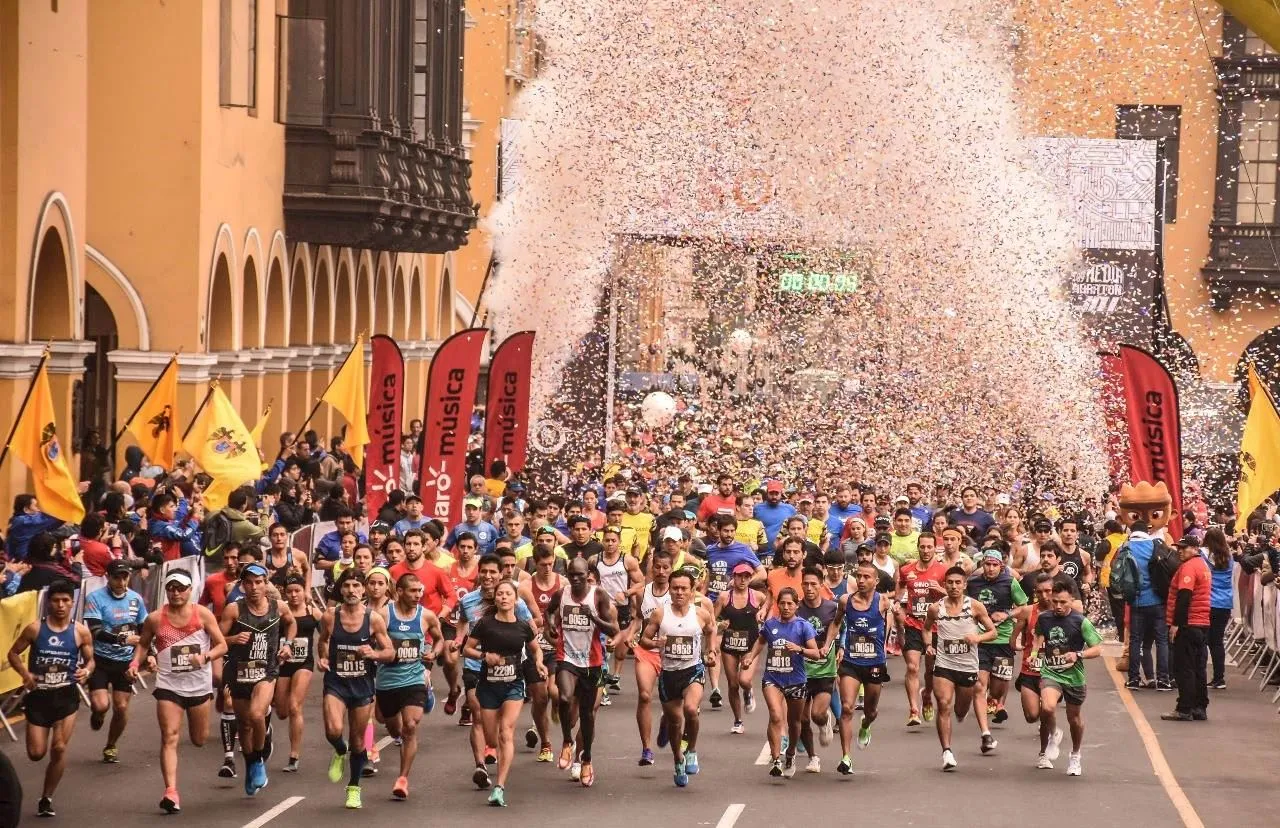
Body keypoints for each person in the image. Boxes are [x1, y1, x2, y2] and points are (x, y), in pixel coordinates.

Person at [129, 569, 227, 813]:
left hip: (198, 686)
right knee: (170, 736)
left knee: (199, 739)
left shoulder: (202, 615)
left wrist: (205, 657)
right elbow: (142, 644)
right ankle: (171, 792)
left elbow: (222, 645)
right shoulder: (155, 618)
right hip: (169, 685)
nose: (175, 592)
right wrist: (134, 663)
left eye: (180, 588)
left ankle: (173, 789)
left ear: (189, 590)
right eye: (171, 588)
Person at [6, 579, 93, 818]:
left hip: (66, 696)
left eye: (66, 600)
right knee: (36, 753)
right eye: (56, 600)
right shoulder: (35, 629)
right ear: (48, 603)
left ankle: (46, 797)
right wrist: (25, 674)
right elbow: (13, 653)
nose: (61, 605)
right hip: (39, 697)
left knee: (60, 747)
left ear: (72, 603)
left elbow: (90, 660)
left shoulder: (80, 631)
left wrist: (87, 670)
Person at [318, 568, 395, 809]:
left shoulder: (373, 619)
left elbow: (390, 652)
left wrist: (374, 653)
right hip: (336, 683)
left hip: (362, 685)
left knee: (359, 742)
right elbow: (323, 642)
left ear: (363, 590)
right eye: (347, 586)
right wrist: (322, 658)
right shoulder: (330, 616)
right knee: (333, 730)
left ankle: (353, 787)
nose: (351, 590)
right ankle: (339, 750)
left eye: (356, 586)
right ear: (341, 589)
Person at [464, 579, 545, 807]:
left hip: (513, 685)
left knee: (506, 732)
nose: (503, 597)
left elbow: (536, 648)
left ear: (515, 598)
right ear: (496, 598)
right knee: (492, 737)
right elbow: (466, 649)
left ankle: (499, 786)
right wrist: (483, 656)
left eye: (508, 594)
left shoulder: (523, 626)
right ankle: (493, 758)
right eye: (500, 594)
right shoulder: (485, 624)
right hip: (489, 686)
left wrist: (539, 664)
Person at [221, 562, 296, 795]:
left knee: (256, 714)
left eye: (259, 582)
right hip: (239, 672)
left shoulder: (279, 606)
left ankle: (259, 760)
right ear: (243, 585)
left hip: (267, 671)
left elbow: (291, 623)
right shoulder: (234, 610)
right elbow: (216, 638)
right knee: (243, 724)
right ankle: (250, 763)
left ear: (266, 584)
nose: (254, 587)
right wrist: (233, 640)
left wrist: (287, 644)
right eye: (249, 583)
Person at [639, 569, 717, 787]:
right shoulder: (660, 614)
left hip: (692, 670)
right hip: (669, 674)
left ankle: (691, 750)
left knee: (691, 709)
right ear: (670, 590)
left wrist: (711, 652)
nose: (679, 592)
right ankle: (678, 759)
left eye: (684, 588)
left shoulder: (700, 614)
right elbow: (644, 640)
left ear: (692, 591)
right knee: (675, 722)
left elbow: (711, 630)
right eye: (675, 588)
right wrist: (656, 644)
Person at [546, 558, 619, 786]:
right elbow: (547, 613)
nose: (575, 579)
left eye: (579, 575)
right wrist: (549, 625)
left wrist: (593, 618)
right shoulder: (561, 595)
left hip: (592, 662)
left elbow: (614, 629)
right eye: (571, 575)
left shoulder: (598, 596)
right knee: (565, 698)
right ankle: (567, 741)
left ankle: (586, 757)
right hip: (566, 657)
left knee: (587, 716)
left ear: (588, 574)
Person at [376, 572, 445, 799]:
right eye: (413, 591)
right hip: (387, 680)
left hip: (414, 678)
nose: (418, 595)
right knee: (394, 729)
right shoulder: (384, 615)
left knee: (411, 727)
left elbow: (439, 639)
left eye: (420, 591)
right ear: (400, 592)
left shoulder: (426, 616)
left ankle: (402, 779)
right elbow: (367, 639)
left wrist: (433, 653)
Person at [923, 566, 998, 771]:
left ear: (964, 585)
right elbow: (927, 628)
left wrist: (977, 637)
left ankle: (962, 713)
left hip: (967, 666)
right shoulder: (935, 608)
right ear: (945, 584)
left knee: (960, 708)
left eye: (958, 583)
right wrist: (928, 645)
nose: (954, 586)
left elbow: (993, 632)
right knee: (944, 704)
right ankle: (947, 752)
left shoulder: (975, 607)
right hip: (944, 665)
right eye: (950, 583)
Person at [742, 587, 819, 778]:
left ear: (796, 605)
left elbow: (816, 653)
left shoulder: (803, 626)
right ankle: (776, 759)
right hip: (773, 679)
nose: (785, 607)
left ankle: (791, 753)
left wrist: (799, 649)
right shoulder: (770, 624)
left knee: (794, 722)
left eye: (790, 604)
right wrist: (751, 657)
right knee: (776, 716)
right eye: (782, 603)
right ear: (777, 605)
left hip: (796, 680)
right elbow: (760, 641)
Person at [1033, 580, 1103, 774]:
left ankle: (1075, 755)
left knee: (1074, 719)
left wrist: (1077, 654)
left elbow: (1097, 649)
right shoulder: (1044, 618)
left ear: (1072, 600)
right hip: (1051, 671)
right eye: (1055, 601)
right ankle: (1053, 734)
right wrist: (1033, 654)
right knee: (1046, 707)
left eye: (1063, 602)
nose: (1058, 606)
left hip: (1074, 676)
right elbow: (1038, 636)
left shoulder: (1081, 621)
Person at [84, 558, 149, 763]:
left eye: (125, 577)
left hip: (125, 661)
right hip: (101, 659)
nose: (121, 582)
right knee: (102, 704)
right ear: (108, 577)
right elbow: (94, 631)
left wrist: (152, 652)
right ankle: (98, 713)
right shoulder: (95, 598)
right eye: (116, 578)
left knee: (121, 707)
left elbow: (144, 630)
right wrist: (121, 638)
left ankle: (111, 745)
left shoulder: (135, 599)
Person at [834, 559, 892, 775]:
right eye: (858, 576)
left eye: (866, 577)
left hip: (875, 664)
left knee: (871, 711)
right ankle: (846, 757)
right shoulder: (845, 601)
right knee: (847, 707)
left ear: (876, 581)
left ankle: (866, 725)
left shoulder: (883, 602)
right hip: (851, 662)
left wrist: (890, 641)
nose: (861, 580)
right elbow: (836, 623)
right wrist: (828, 645)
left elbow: (892, 622)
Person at [966, 548, 1028, 740]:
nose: (991, 568)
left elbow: (1023, 607)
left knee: (999, 685)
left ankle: (995, 700)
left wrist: (1007, 614)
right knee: (979, 684)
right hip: (981, 639)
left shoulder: (1010, 582)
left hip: (1002, 638)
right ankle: (985, 730)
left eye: (995, 565)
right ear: (982, 565)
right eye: (987, 564)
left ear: (1001, 566)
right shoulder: (973, 583)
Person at [897, 533, 946, 726]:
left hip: (935, 627)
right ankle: (914, 710)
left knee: (931, 670)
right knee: (912, 667)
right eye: (922, 547)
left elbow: (956, 595)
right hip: (913, 625)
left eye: (929, 547)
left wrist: (940, 590)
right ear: (917, 547)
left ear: (935, 548)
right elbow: (900, 589)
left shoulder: (943, 571)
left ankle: (927, 695)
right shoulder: (906, 570)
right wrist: (898, 606)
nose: (926, 550)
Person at [1161, 536, 1212, 722]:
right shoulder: (1203, 565)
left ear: (1195, 548)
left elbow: (1184, 596)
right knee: (1198, 667)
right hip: (1201, 623)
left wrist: (1176, 624)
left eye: (1184, 548)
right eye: (1178, 548)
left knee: (1184, 668)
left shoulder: (1189, 567)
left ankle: (1184, 708)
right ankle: (1200, 706)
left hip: (1189, 624)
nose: (1179, 551)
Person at [631, 547, 674, 764]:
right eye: (657, 566)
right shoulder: (642, 592)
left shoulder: (677, 592)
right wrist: (630, 635)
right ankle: (647, 748)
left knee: (670, 702)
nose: (661, 571)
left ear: (671, 569)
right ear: (652, 567)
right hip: (647, 650)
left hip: (672, 654)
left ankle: (667, 719)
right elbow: (638, 619)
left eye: (666, 567)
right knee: (645, 695)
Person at [796, 566, 840, 772]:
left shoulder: (832, 607)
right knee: (802, 718)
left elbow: (841, 627)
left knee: (816, 714)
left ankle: (825, 721)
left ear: (821, 585)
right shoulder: (796, 609)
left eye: (814, 584)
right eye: (805, 584)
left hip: (825, 669)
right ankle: (813, 757)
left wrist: (840, 648)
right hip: (801, 670)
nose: (809, 588)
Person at [589, 527, 642, 693]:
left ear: (619, 542)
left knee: (620, 650)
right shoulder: (594, 560)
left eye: (613, 540)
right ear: (602, 541)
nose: (610, 543)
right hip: (603, 608)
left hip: (622, 607)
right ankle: (602, 676)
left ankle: (616, 674)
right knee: (603, 644)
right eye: (607, 540)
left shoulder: (628, 560)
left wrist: (627, 592)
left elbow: (641, 582)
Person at [277, 574, 321, 773]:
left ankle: (294, 755)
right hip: (282, 664)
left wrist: (325, 656)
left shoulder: (313, 612)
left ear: (304, 591)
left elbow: (327, 635)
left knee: (295, 706)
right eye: (290, 592)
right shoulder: (280, 613)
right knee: (282, 711)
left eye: (298, 591)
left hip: (304, 663)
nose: (294, 595)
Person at [1122, 521, 1172, 691]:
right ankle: (1164, 679)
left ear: (1131, 531)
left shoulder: (1126, 547)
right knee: (1161, 641)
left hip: (1137, 601)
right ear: (1147, 531)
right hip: (1158, 600)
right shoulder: (1154, 545)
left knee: (1136, 640)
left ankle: (1134, 679)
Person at [714, 562, 763, 734]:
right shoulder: (724, 597)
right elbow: (711, 621)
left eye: (746, 577)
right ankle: (738, 720)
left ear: (750, 578)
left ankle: (748, 691)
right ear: (733, 577)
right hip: (730, 644)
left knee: (744, 680)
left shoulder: (757, 597)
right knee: (733, 684)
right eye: (739, 576)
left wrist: (762, 618)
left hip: (751, 644)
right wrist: (721, 624)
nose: (742, 580)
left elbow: (770, 610)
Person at [1203, 528, 1233, 690]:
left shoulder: (1205, 558)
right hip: (1225, 603)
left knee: (1205, 641)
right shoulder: (1229, 558)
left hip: (1208, 602)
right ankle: (1219, 677)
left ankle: (1207, 675)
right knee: (1217, 641)